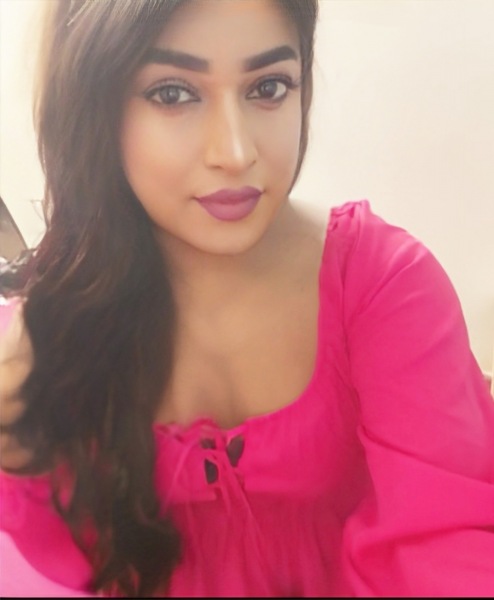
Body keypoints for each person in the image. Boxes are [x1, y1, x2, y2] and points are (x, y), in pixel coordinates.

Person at [0, 0, 493, 597]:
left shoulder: (383, 285)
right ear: (93, 106)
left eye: (268, 86)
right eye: (173, 94)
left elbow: (443, 544)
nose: (235, 153)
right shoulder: (46, 341)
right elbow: (73, 567)